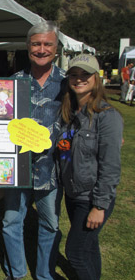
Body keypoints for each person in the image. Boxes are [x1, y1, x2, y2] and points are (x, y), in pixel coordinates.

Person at [2, 21, 66, 280]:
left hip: (51, 168)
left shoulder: (66, 83)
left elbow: (88, 111)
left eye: (47, 44)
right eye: (36, 44)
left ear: (56, 48)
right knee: (11, 223)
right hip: (17, 168)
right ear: (28, 47)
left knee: (50, 225)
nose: (41, 49)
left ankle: (44, 275)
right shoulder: (13, 83)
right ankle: (16, 273)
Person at [56, 54, 123, 280]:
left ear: (96, 79)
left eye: (85, 75)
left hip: (91, 198)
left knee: (75, 253)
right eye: (74, 75)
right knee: (89, 247)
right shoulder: (68, 114)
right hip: (73, 194)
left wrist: (99, 206)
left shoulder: (107, 117)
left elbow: (110, 167)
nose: (79, 79)